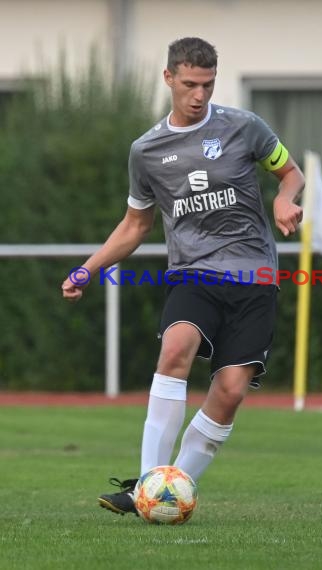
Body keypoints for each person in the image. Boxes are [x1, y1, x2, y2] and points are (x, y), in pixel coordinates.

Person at [61, 37, 304, 516]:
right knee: (175, 347)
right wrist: (89, 269)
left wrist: (284, 197)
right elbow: (136, 225)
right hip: (193, 274)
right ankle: (147, 485)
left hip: (254, 275)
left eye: (208, 85)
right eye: (190, 84)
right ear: (169, 78)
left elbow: (290, 172)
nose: (199, 95)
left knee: (231, 390)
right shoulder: (147, 151)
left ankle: (173, 488)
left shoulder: (244, 128)